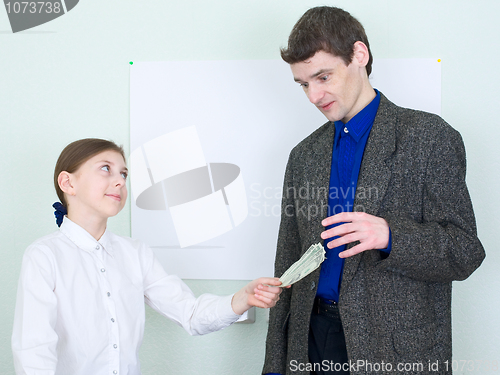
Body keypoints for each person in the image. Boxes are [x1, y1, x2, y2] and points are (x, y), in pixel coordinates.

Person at [263, 6, 485, 375]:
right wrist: (275, 362)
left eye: (323, 77)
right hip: (313, 339)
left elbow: (465, 251)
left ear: (359, 55)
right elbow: (288, 261)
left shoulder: (430, 138)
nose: (314, 96)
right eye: (304, 84)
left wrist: (391, 235)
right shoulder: (302, 156)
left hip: (396, 348)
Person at [11, 138, 283, 375]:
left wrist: (242, 298)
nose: (119, 181)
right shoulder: (44, 256)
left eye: (123, 174)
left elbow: (190, 314)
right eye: (106, 169)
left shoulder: (135, 253)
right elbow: (34, 352)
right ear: (67, 182)